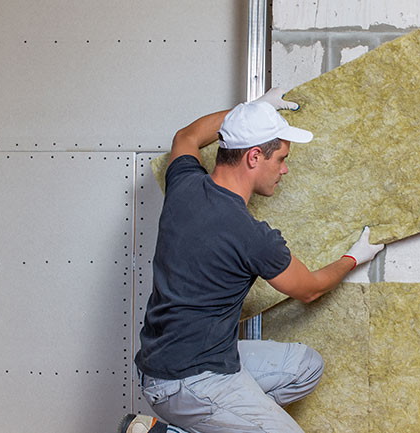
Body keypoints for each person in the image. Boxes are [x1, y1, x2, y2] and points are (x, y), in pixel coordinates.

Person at [119, 88, 384, 433]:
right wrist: (353, 257)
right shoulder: (249, 235)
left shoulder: (184, 184)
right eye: (281, 158)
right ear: (255, 157)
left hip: (178, 358)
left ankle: (231, 422)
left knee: (305, 367)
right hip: (187, 382)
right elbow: (309, 289)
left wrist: (251, 111)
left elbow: (187, 136)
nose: (285, 169)